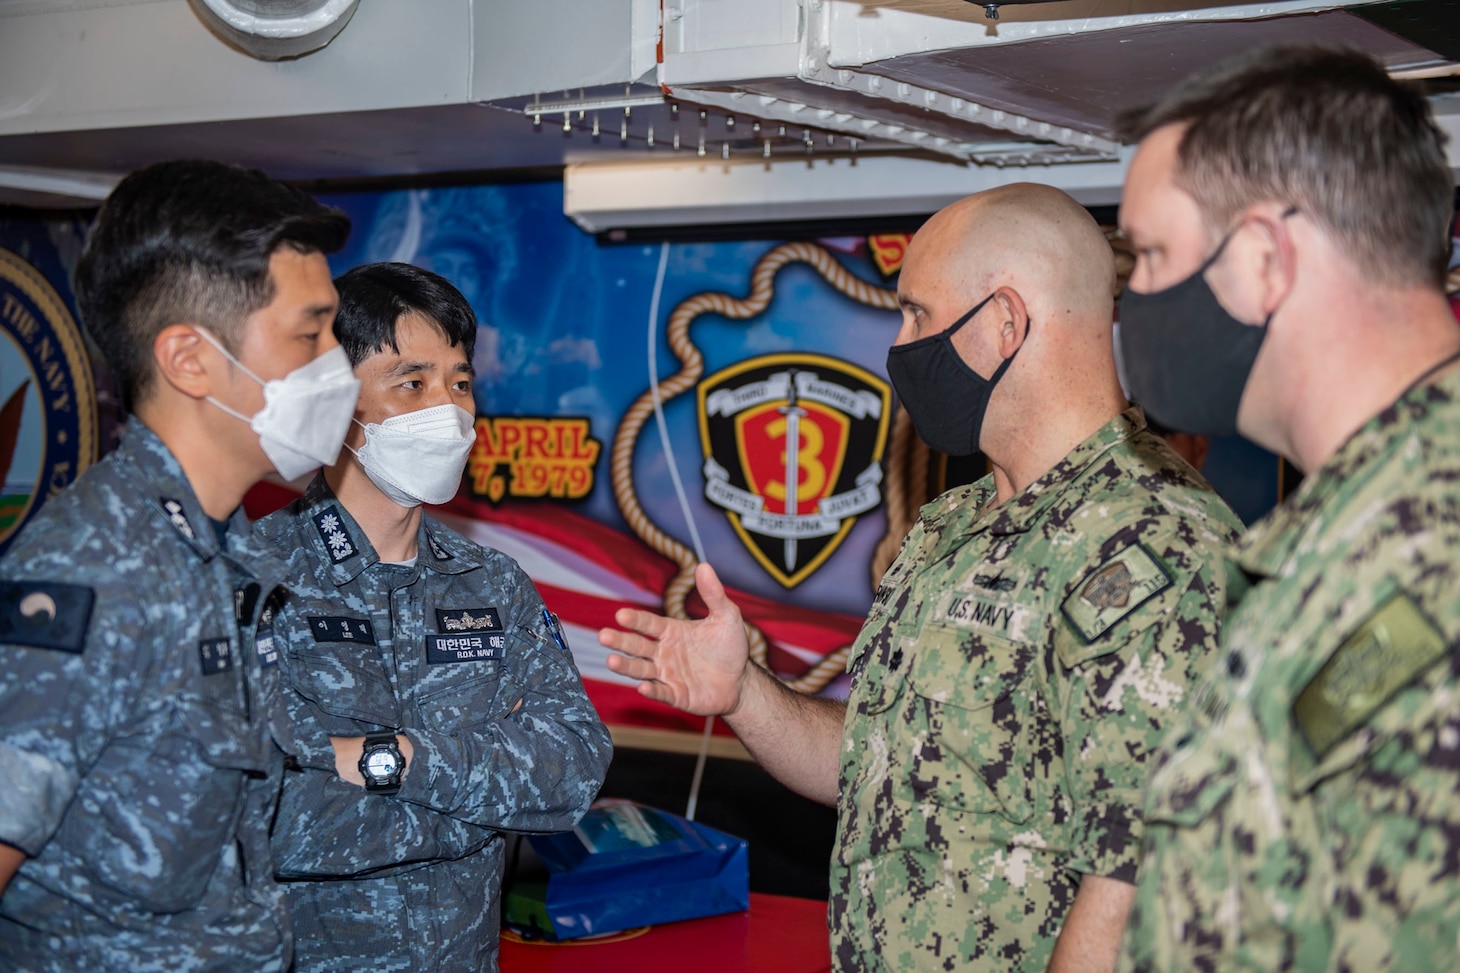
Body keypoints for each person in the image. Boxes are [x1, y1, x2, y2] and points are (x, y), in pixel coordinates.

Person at [601, 183, 1245, 972]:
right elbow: (880, 759)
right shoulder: (948, 526)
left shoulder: (1161, 541)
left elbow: (1137, 878)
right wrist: (746, 693)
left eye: (918, 315)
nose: (900, 345)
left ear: (1006, 322)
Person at [1114, 45, 1460, 972]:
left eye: (1149, 255)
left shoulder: (1431, 547)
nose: (1133, 299)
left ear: (1265, 258)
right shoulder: (1345, 530)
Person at [0, 160, 357, 970]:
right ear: (189, 360)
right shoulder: (97, 568)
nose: (338, 363)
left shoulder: (220, 551)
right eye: (311, 333)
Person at [257, 261, 612, 973]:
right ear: (337, 403)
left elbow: (574, 766)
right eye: (412, 382)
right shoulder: (261, 577)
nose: (447, 409)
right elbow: (266, 820)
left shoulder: (494, 581)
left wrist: (387, 759)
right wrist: (484, 796)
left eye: (460, 381)